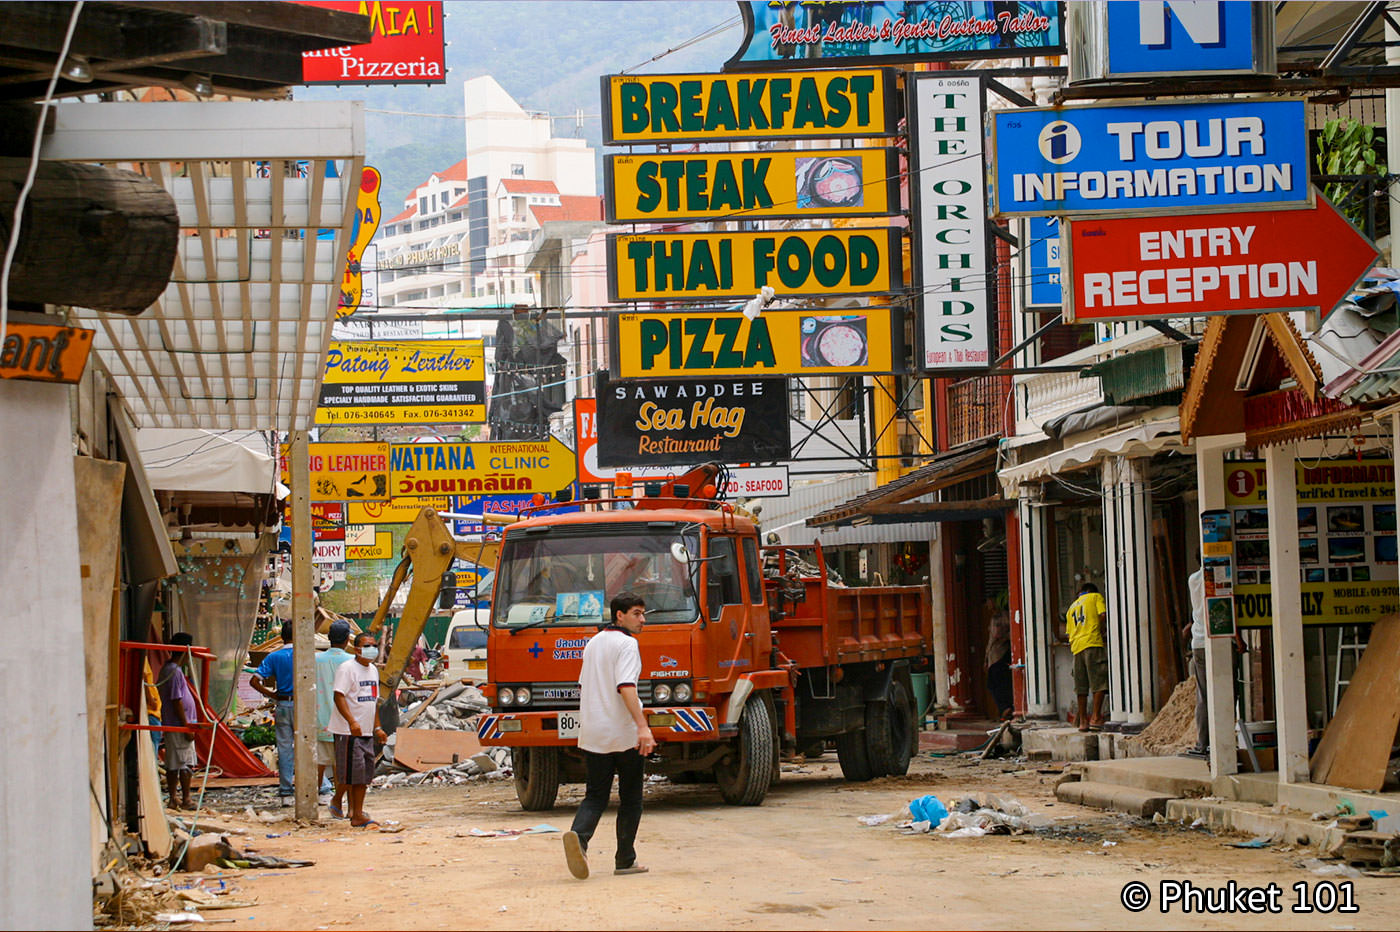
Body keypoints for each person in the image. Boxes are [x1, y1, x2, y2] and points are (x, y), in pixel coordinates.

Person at [562, 593, 656, 880]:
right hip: (623, 732)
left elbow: (582, 686)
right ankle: (625, 860)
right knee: (631, 797)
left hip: (593, 732)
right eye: (637, 613)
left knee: (595, 795)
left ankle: (579, 837)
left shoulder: (593, 643)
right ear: (620, 615)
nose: (643, 619)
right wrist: (642, 727)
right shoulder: (627, 644)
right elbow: (626, 687)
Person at [329, 632, 387, 828]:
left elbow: (373, 701)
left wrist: (377, 727)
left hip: (366, 731)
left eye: (374, 645)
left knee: (363, 774)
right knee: (352, 772)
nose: (372, 649)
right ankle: (352, 811)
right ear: (356, 649)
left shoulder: (373, 671)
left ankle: (357, 812)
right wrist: (351, 721)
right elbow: (339, 696)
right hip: (348, 731)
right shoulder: (347, 669)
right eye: (367, 645)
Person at [250, 620, 297, 805]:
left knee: (285, 749)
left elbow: (254, 681)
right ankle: (319, 788)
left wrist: (272, 695)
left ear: (282, 637)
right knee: (307, 747)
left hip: (283, 705)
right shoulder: (307, 655)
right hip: (304, 706)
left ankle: (286, 792)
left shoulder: (274, 657)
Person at [316, 620, 355, 813]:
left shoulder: (315, 660)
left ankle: (312, 802)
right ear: (348, 639)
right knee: (343, 768)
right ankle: (344, 805)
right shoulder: (352, 662)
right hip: (346, 723)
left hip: (320, 720)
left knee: (319, 764)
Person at [157, 633, 199, 810]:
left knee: (176, 762)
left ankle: (176, 798)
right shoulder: (173, 672)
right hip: (178, 725)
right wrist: (186, 725)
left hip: (177, 724)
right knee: (183, 763)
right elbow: (176, 700)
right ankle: (183, 798)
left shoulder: (173, 670)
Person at [1066, 582, 1109, 732]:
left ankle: (1083, 721)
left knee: (1081, 686)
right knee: (1099, 682)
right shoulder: (1096, 597)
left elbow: (1069, 634)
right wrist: (1101, 630)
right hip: (1092, 643)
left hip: (1077, 648)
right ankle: (1096, 717)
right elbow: (1102, 615)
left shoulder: (1071, 607)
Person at [1185, 566, 1209, 758]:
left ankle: (1203, 743)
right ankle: (1220, 740)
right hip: (1218, 641)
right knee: (1225, 694)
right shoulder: (1216, 576)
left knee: (1204, 695)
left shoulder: (1193, 579)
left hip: (1199, 641)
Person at [985, 611, 1014, 721]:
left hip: (1005, 665)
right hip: (996, 666)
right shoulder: (994, 643)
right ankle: (1005, 709)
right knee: (992, 684)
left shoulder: (1009, 641)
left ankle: (1007, 708)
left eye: (998, 626)